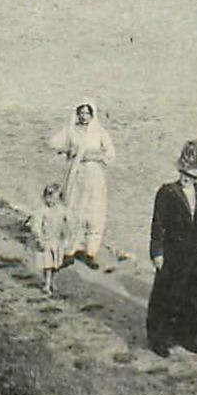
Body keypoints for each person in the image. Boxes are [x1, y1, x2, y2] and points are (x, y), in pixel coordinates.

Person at [145, 140, 197, 357]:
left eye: (192, 175)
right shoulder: (167, 192)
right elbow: (158, 225)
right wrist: (157, 252)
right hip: (174, 254)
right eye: (184, 173)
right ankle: (160, 339)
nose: (186, 177)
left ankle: (192, 337)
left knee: (196, 296)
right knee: (168, 295)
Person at [49, 100, 116, 269]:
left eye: (87, 113)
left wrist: (92, 156)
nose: (84, 116)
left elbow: (110, 155)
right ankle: (70, 250)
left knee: (94, 211)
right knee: (74, 208)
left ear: (92, 115)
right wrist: (68, 151)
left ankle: (90, 252)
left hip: (94, 175)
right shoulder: (71, 130)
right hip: (76, 174)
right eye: (81, 113)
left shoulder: (100, 132)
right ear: (77, 114)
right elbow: (53, 143)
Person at [30, 182, 69, 294]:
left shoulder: (61, 210)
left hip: (57, 240)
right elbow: (36, 225)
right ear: (45, 197)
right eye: (50, 199)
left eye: (55, 199)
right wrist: (39, 238)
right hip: (46, 240)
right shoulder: (42, 210)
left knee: (57, 264)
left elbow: (67, 222)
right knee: (47, 264)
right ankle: (46, 284)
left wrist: (66, 236)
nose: (52, 202)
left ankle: (53, 282)